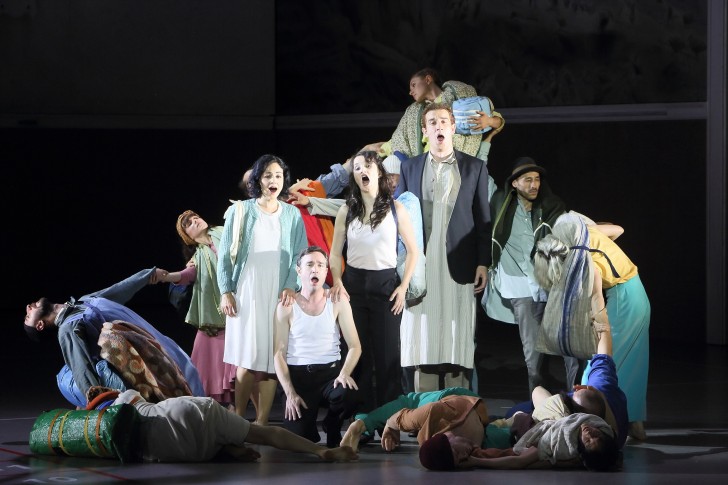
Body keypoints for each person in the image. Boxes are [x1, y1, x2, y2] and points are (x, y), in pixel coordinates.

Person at [419, 310, 621, 472]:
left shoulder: (561, 441)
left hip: (548, 416)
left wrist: (476, 461)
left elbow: (520, 460)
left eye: (589, 440)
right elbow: (521, 460)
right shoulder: (598, 428)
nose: (590, 434)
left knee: (526, 403)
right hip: (582, 403)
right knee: (537, 398)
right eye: (596, 436)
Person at [395, 102, 491, 391]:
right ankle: (424, 404)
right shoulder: (410, 167)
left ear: (453, 127)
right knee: (422, 333)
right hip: (421, 263)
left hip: (458, 262)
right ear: (425, 131)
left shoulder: (474, 167)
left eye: (443, 121)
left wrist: (483, 261)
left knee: (456, 332)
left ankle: (456, 402)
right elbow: (398, 216)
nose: (438, 126)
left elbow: (483, 219)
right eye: (432, 122)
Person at [23, 268, 203, 407]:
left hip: (156, 343)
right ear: (40, 325)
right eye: (27, 316)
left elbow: (118, 290)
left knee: (188, 377)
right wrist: (97, 400)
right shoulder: (68, 328)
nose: (28, 307)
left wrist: (147, 276)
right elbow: (81, 367)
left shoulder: (83, 302)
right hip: (141, 359)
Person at [217, 154, 308, 424]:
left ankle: (262, 422)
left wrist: (291, 285)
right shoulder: (241, 210)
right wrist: (226, 290)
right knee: (246, 358)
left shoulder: (292, 213)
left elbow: (299, 254)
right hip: (247, 289)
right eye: (268, 175)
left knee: (271, 358)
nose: (273, 180)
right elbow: (225, 254)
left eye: (278, 176)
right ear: (258, 180)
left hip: (278, 290)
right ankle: (238, 419)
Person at [534, 213, 638, 444]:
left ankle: (634, 424)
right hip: (620, 294)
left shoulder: (585, 247)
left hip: (624, 296)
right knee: (613, 364)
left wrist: (592, 231)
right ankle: (635, 424)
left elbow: (598, 303)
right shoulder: (581, 246)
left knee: (612, 364)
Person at [329, 150, 419, 411]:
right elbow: (335, 252)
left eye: (367, 166)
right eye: (357, 167)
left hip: (385, 286)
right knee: (358, 354)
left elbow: (413, 251)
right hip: (354, 286)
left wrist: (403, 286)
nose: (362, 170)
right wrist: (337, 280)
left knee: (388, 356)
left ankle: (389, 418)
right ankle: (361, 418)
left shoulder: (396, 209)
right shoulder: (346, 210)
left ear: (379, 171)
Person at [483, 156, 580, 395]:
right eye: (527, 180)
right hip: (520, 288)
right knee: (533, 358)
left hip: (551, 286)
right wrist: (485, 142)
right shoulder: (500, 203)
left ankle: (578, 399)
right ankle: (539, 407)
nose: (534, 184)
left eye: (537, 179)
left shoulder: (552, 207)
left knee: (571, 349)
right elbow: (481, 175)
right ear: (514, 183)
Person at [106, 388, 357, 463]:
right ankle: (319, 450)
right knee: (264, 434)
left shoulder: (114, 433)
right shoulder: (126, 398)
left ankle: (226, 448)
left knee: (201, 443)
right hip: (193, 413)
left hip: (192, 452)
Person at [273, 246, 362, 447]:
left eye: (321, 265)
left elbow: (355, 346)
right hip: (299, 377)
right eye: (310, 264)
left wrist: (344, 373)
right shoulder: (287, 305)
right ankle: (306, 426)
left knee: (349, 394)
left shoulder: (337, 300)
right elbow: (278, 353)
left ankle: (333, 423)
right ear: (299, 270)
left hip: (330, 375)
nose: (315, 269)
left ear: (325, 271)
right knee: (300, 441)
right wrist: (290, 393)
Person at [155, 210, 236, 406]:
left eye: (195, 218)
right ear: (188, 237)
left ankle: (238, 408)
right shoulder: (198, 256)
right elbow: (187, 275)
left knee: (237, 365)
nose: (195, 221)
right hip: (214, 317)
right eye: (189, 224)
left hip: (239, 307)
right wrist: (166, 276)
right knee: (204, 363)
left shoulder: (226, 232)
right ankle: (213, 408)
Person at [369, 68, 505, 163]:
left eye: (413, 85)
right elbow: (400, 140)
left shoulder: (457, 96)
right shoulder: (413, 112)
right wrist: (373, 149)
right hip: (426, 167)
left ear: (428, 79)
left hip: (455, 164)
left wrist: (489, 121)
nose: (410, 92)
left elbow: (497, 120)